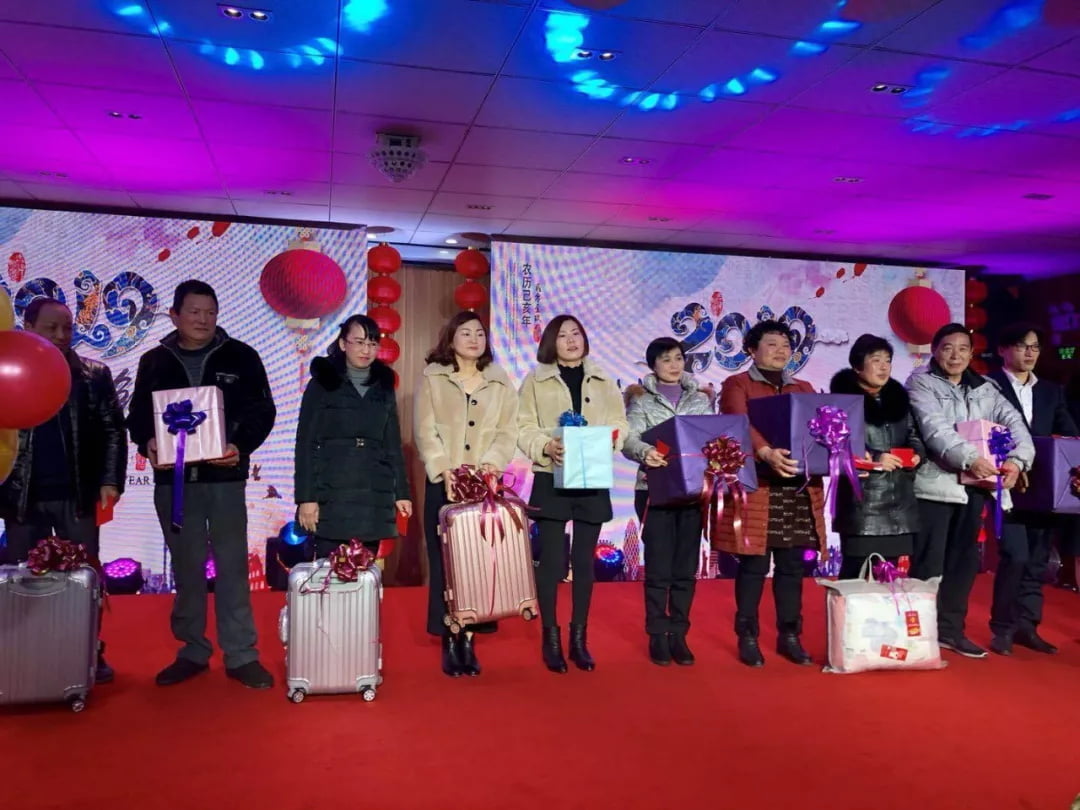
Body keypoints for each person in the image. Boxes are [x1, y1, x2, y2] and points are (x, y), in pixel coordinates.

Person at [127, 280, 277, 688]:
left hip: (224, 479)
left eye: (210, 312)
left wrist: (238, 445)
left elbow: (262, 410)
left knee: (232, 565)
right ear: (174, 315)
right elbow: (138, 413)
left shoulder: (242, 356)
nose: (203, 319)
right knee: (186, 566)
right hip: (173, 482)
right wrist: (148, 440)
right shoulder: (154, 361)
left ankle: (241, 654)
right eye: (194, 311)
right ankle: (192, 649)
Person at [0, 297, 126, 683]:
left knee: (85, 580)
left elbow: (112, 430)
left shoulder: (93, 374)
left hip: (78, 496)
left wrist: (109, 481)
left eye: (67, 328)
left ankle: (88, 652)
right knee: (22, 581)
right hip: (22, 496)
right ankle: (23, 657)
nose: (60, 335)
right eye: (51, 327)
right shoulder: (6, 371)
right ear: (27, 327)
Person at [906, 322, 1033, 659]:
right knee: (928, 564)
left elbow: (1015, 424)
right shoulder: (921, 382)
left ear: (972, 353)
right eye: (948, 348)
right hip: (934, 487)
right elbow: (935, 429)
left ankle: (951, 631)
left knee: (963, 564)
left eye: (963, 349)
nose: (955, 355)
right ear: (935, 351)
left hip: (975, 488)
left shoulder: (985, 388)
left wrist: (1017, 461)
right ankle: (916, 633)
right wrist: (971, 458)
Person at [518, 314, 627, 673]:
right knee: (551, 562)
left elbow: (620, 422)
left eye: (576, 333)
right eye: (563, 335)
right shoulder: (535, 380)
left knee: (584, 561)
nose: (570, 340)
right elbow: (522, 426)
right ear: (551, 342)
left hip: (591, 475)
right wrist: (545, 446)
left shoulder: (603, 378)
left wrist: (609, 440)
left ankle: (579, 640)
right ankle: (550, 638)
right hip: (551, 476)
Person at [414, 311, 518, 678]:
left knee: (478, 564)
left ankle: (470, 639)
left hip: (484, 484)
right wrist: (444, 468)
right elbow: (425, 430)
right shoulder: (433, 377)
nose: (474, 339)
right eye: (466, 333)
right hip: (444, 483)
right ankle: (450, 636)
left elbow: (508, 430)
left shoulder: (500, 380)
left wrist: (491, 464)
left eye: (479, 334)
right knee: (445, 564)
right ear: (451, 338)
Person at [717, 319, 825, 668]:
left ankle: (789, 635)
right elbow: (737, 423)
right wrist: (765, 452)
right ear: (752, 349)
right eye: (772, 344)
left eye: (786, 345)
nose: (781, 351)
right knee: (754, 566)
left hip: (797, 488)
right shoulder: (737, 384)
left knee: (792, 566)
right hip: (758, 488)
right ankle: (747, 636)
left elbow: (820, 428)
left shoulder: (804, 387)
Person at [986, 322, 1077, 655]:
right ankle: (1002, 628)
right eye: (1022, 345)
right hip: (1006, 483)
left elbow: (1069, 434)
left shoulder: (1051, 391)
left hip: (1044, 488)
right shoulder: (987, 387)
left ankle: (1028, 625)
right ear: (1003, 349)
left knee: (1038, 560)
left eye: (1035, 346)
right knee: (1015, 556)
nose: (1030, 352)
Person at [623, 337, 713, 666]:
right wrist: (646, 452)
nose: (674, 365)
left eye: (678, 358)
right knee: (659, 568)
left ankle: (679, 634)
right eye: (665, 359)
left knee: (685, 569)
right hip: (654, 490)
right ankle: (657, 634)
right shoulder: (642, 401)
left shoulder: (700, 400)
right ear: (653, 365)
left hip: (693, 492)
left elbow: (712, 438)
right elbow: (628, 439)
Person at [294, 313, 411, 560]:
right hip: (331, 490)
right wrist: (306, 498)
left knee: (364, 571)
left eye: (372, 343)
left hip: (373, 493)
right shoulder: (322, 383)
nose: (366, 350)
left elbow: (392, 445)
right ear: (342, 343)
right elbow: (305, 444)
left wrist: (402, 492)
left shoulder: (383, 386)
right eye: (359, 342)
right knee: (328, 572)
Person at [829, 334, 923, 580]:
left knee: (888, 576)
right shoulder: (841, 402)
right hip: (862, 504)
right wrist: (877, 457)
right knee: (855, 573)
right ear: (857, 366)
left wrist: (916, 455)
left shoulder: (899, 399)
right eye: (876, 360)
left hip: (900, 501)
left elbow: (913, 435)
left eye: (888, 360)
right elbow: (837, 444)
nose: (883, 367)